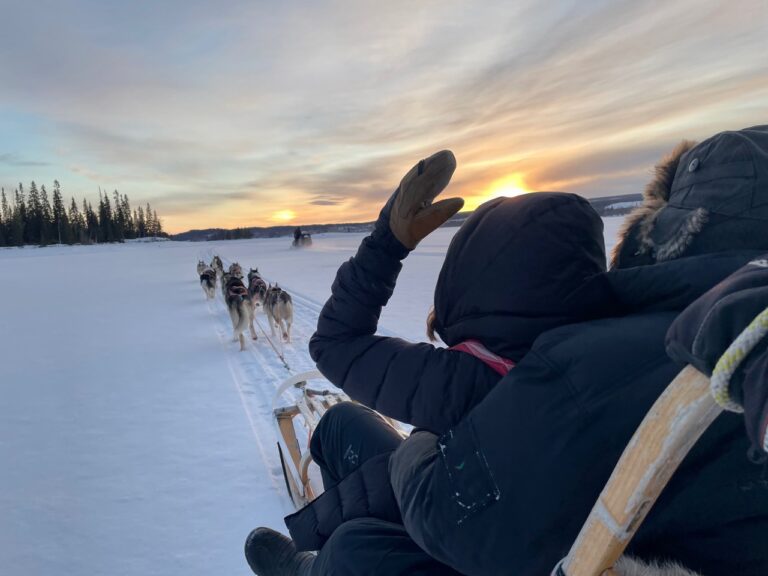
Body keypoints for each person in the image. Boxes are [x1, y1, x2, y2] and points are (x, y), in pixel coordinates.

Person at [245, 150, 614, 575]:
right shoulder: (601, 352)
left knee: (354, 549)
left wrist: (388, 241)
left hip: (479, 548)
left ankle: (321, 568)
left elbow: (334, 342)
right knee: (339, 423)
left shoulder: (473, 378)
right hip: (479, 508)